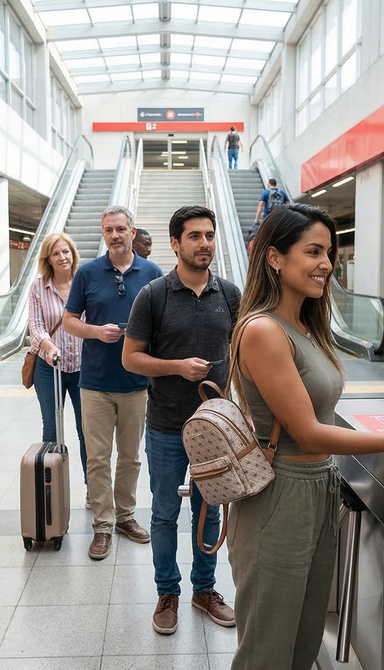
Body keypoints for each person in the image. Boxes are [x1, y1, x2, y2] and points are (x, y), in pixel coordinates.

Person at [227, 204, 384, 669]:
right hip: (279, 496)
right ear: (275, 258)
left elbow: (320, 414)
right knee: (267, 645)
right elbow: (310, 434)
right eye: (312, 251)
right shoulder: (263, 331)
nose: (327, 264)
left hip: (317, 488)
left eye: (329, 253)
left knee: (304, 635)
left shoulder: (307, 327)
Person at [122, 205, 241, 635]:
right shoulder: (153, 295)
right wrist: (175, 367)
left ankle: (204, 589)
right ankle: (167, 592)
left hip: (217, 427)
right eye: (195, 236)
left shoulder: (230, 295)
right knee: (166, 512)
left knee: (209, 512)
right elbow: (130, 358)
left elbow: (244, 356)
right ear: (175, 244)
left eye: (209, 235)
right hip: (167, 426)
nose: (204, 243)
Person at [64, 205, 163, 561]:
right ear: (103, 234)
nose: (115, 235)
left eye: (121, 229)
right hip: (95, 383)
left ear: (132, 233)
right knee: (98, 457)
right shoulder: (88, 273)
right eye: (108, 230)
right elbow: (69, 320)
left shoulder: (152, 272)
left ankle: (125, 517)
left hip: (136, 383)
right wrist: (95, 331)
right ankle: (102, 525)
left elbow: (161, 323)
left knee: (132, 457)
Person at [28, 233, 88, 489]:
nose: (62, 257)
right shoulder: (38, 287)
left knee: (87, 431)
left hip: (84, 368)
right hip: (48, 367)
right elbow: (37, 325)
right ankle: (52, 490)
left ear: (73, 254)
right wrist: (49, 346)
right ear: (48, 259)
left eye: (66, 252)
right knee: (51, 428)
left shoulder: (85, 282)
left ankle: (91, 489)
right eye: (56, 253)